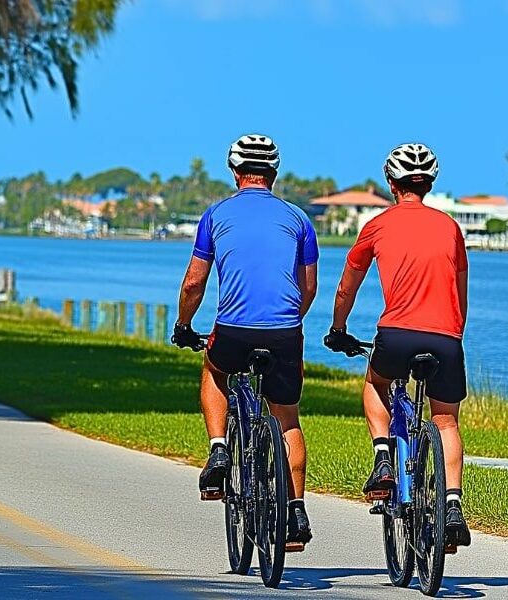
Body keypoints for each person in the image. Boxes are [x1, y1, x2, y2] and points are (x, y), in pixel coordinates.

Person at [171, 133, 319, 548]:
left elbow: (194, 282)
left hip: (233, 330)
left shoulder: (215, 215)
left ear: (235, 171)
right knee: (287, 418)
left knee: (215, 372)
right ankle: (296, 513)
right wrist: (288, 322)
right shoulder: (299, 219)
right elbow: (308, 288)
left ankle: (219, 449)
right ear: (273, 173)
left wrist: (185, 325)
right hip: (285, 331)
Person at [324, 143, 472, 550]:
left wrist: (338, 329)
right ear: (429, 184)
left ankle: (384, 457)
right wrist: (453, 334)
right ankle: (454, 504)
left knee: (376, 384)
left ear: (392, 183)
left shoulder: (377, 225)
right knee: (445, 422)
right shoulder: (450, 227)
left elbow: (346, 286)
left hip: (396, 334)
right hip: (446, 338)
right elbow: (461, 292)